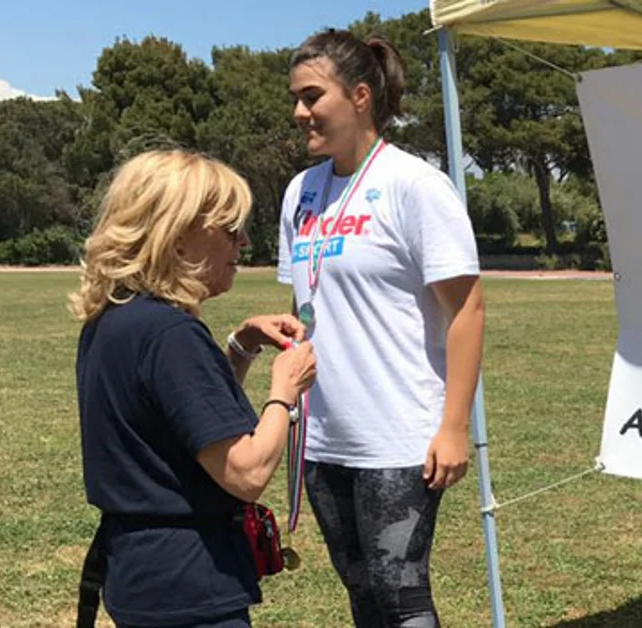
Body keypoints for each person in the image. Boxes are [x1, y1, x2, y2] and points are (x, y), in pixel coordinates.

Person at [278, 30, 485, 627]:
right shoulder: (301, 193)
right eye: (296, 98)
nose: (300, 112)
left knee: (401, 594)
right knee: (362, 592)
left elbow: (467, 310)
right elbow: (312, 301)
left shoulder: (414, 185)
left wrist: (453, 428)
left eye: (312, 96)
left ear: (361, 95)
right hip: (323, 437)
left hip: (398, 437)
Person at [70, 149, 317, 627]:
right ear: (177, 235)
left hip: (137, 573)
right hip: (190, 586)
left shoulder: (116, 320)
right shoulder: (171, 334)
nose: (243, 242)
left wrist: (240, 350)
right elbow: (244, 473)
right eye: (229, 230)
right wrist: (284, 392)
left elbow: (181, 423)